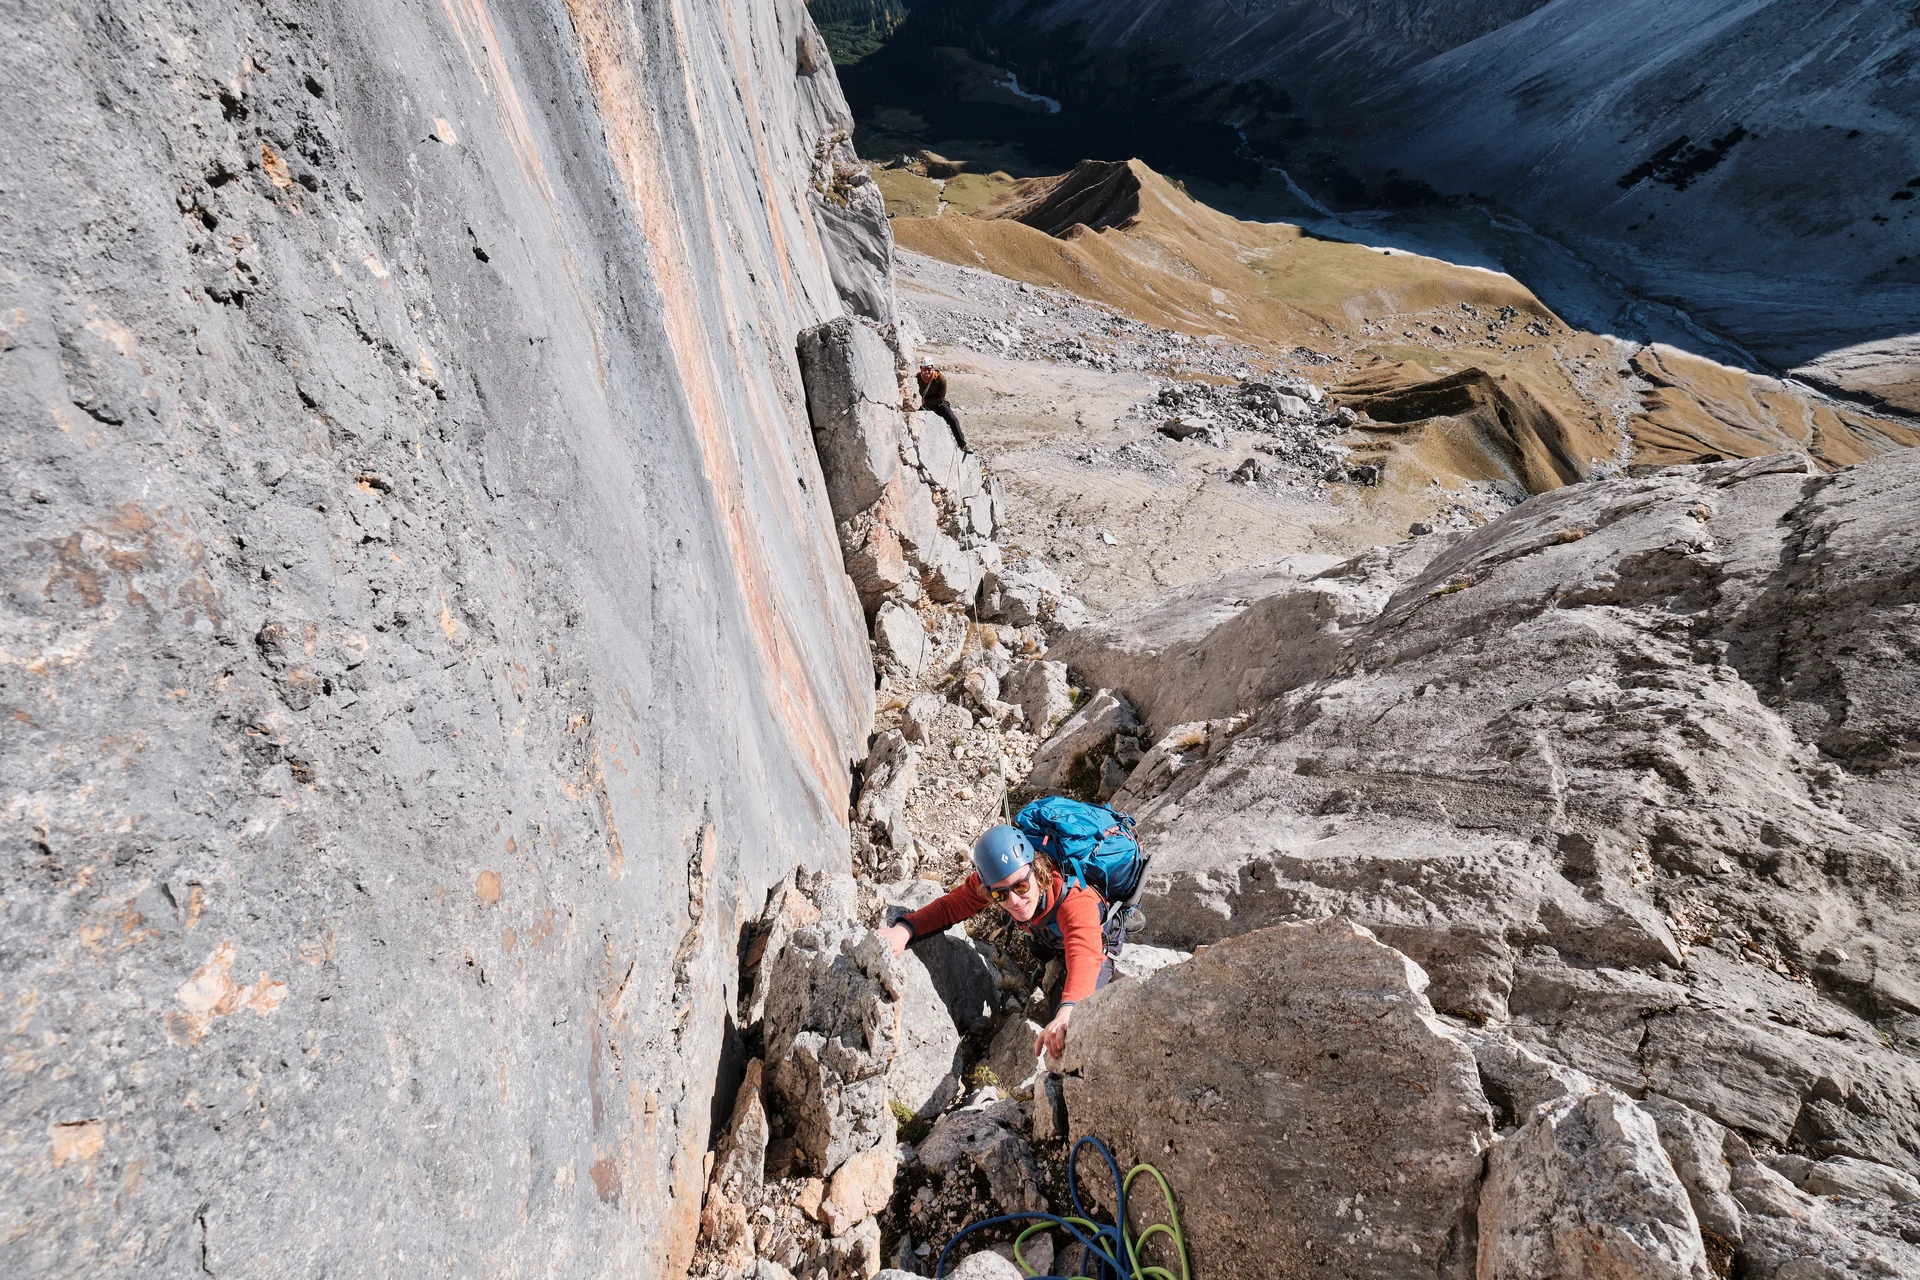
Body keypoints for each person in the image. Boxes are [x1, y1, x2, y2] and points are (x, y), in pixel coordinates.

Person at [884, 824, 1110, 1062]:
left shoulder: (1076, 899)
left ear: (1037, 870)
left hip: (1098, 937)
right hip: (1054, 935)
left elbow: (1085, 951)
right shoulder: (995, 879)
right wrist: (905, 929)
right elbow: (949, 907)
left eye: (1021, 886)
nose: (1013, 900)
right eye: (999, 895)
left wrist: (1068, 1009)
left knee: (1075, 1029)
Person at [916, 363, 969, 449]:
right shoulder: (917, 378)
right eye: (924, 369)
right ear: (921, 369)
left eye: (929, 369)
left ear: (932, 368)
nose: (927, 372)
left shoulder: (940, 379)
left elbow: (940, 398)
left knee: (952, 419)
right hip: (923, 404)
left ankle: (962, 444)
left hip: (937, 404)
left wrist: (925, 401)